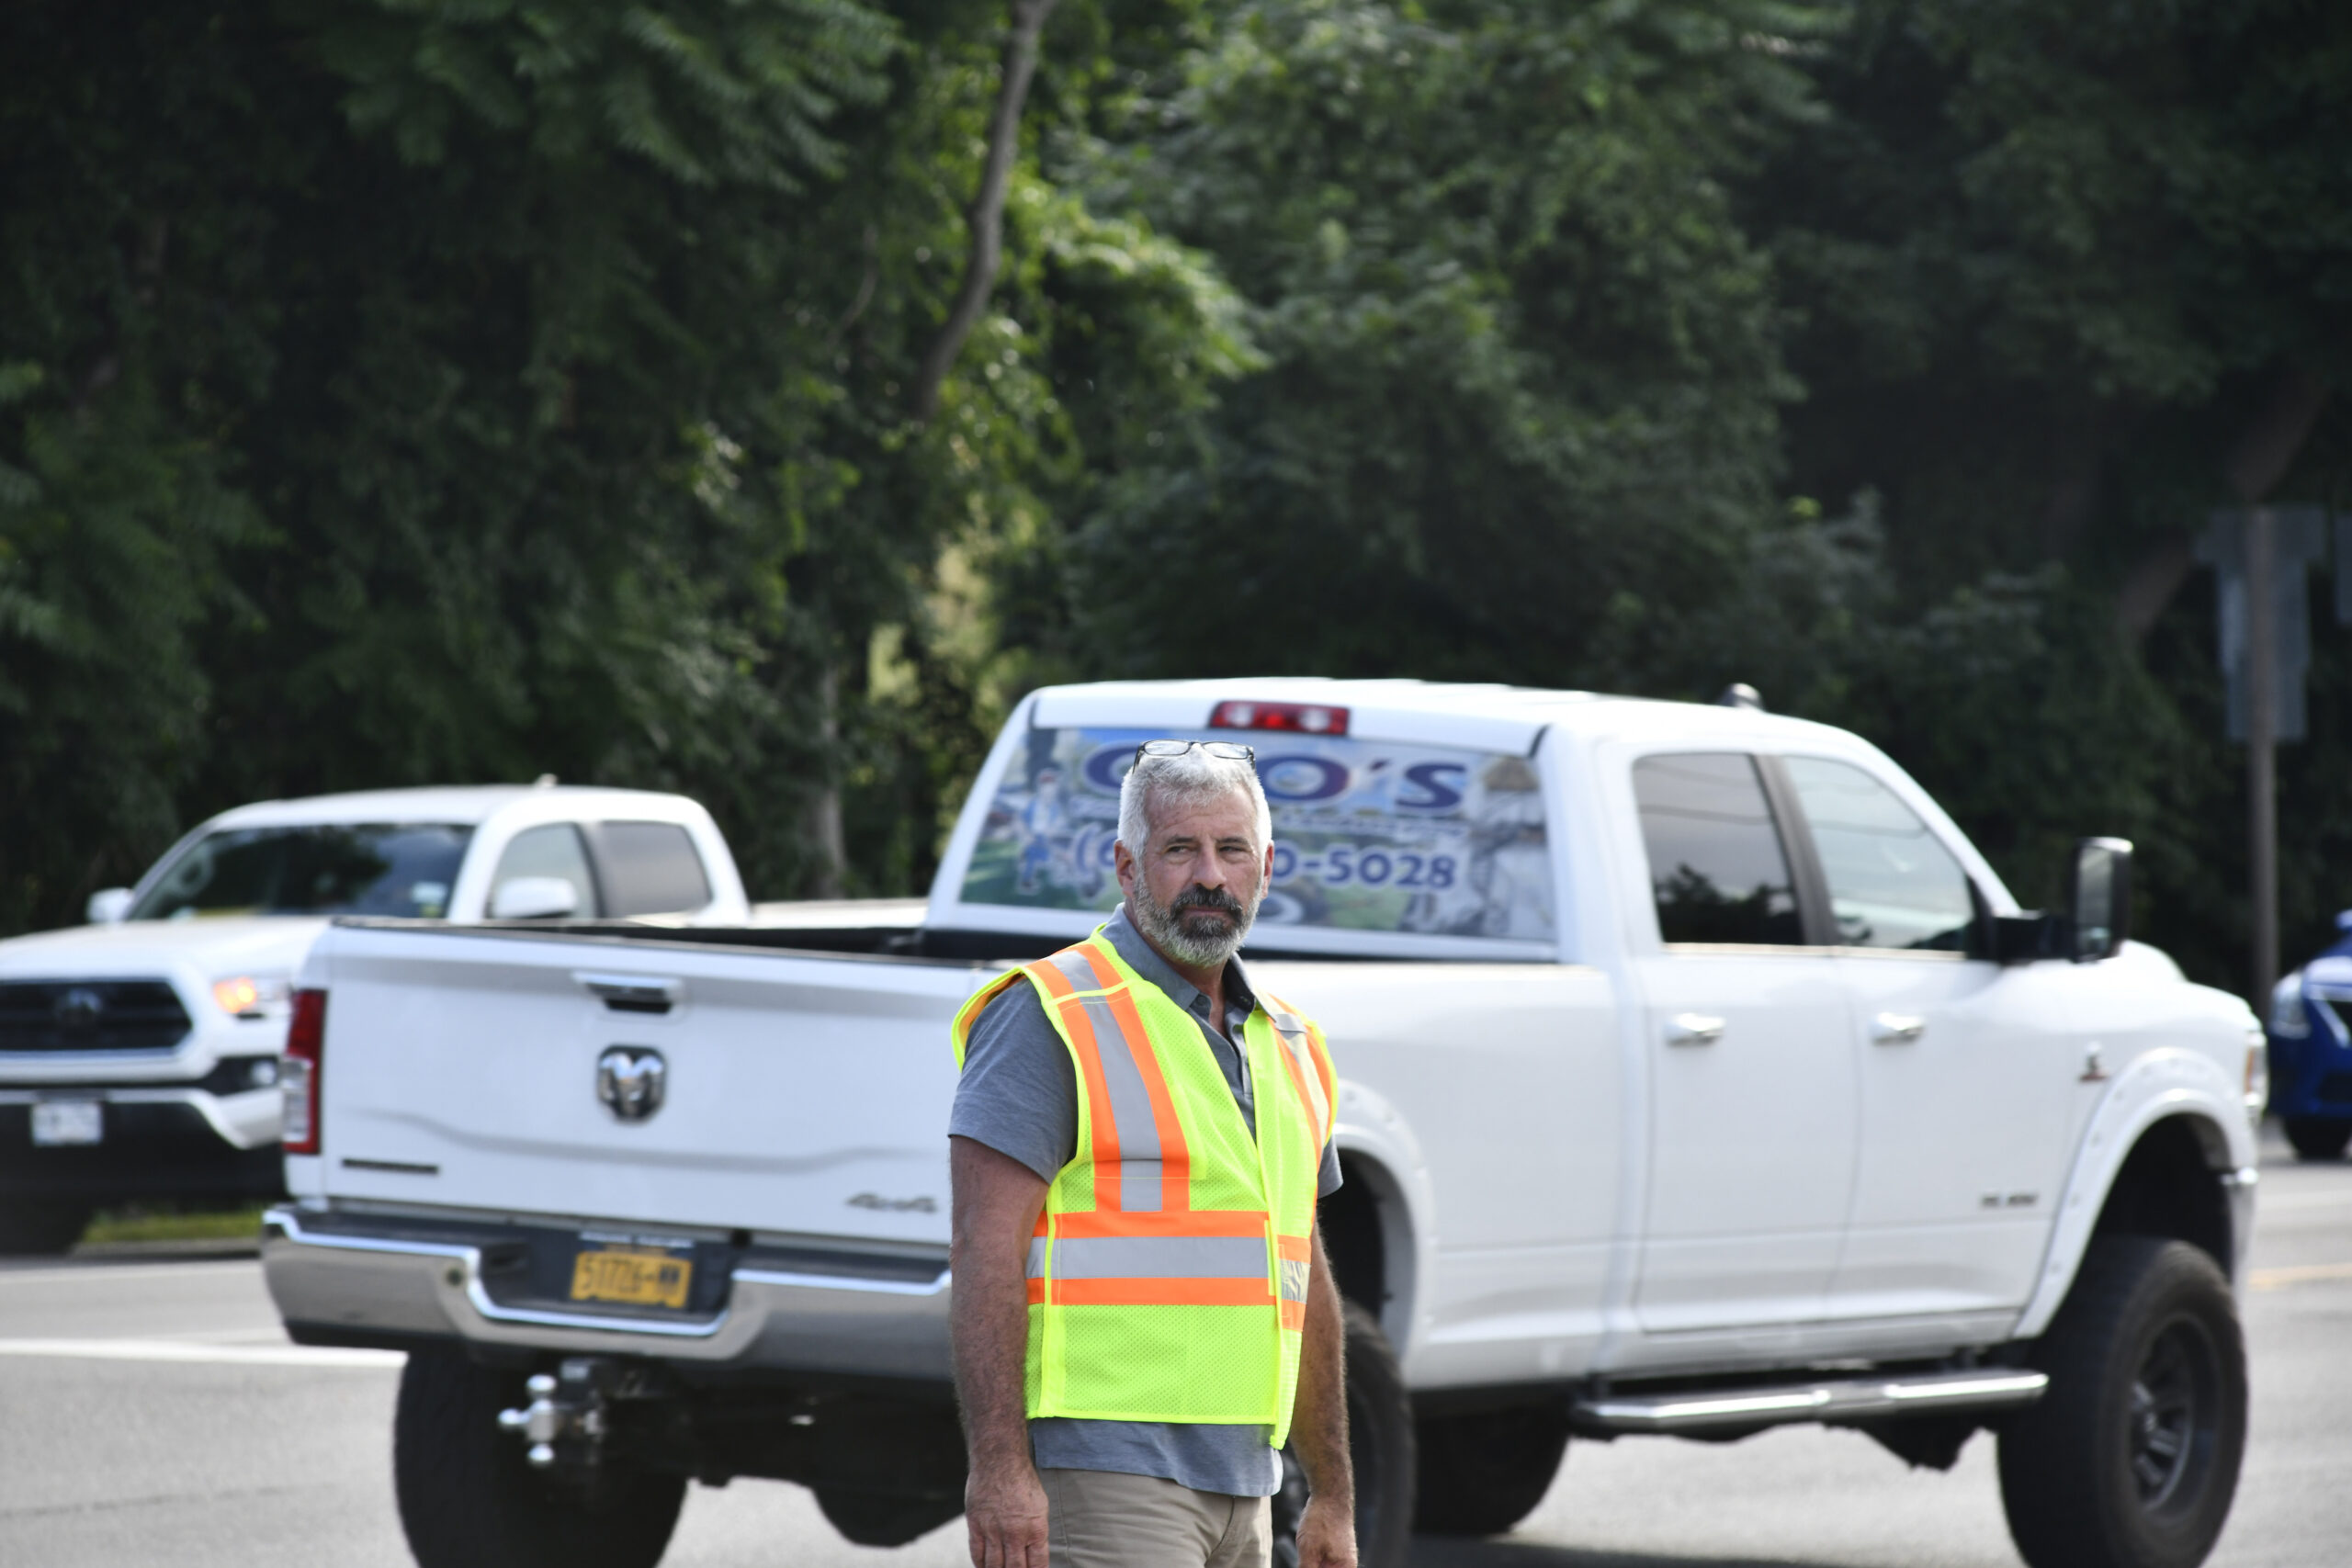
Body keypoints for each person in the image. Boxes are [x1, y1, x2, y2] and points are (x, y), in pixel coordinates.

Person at [948, 739, 1356, 1568]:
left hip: (1247, 1482)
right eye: (1180, 849)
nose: (1210, 874)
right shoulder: (1050, 1012)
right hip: (1102, 1473)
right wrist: (999, 1469)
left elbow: (1301, 1275)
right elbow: (982, 1250)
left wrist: (1333, 1493)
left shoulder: (1290, 1042)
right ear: (1127, 866)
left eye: (1231, 849)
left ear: (1266, 866)